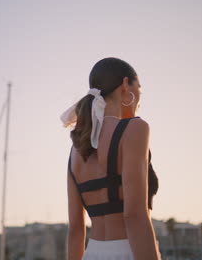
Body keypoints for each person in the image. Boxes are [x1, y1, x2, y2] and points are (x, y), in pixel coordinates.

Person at [61, 57, 161, 260]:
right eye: (139, 87)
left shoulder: (77, 147)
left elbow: (76, 230)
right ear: (125, 85)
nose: (140, 96)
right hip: (128, 251)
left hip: (92, 253)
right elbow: (134, 215)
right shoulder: (135, 129)